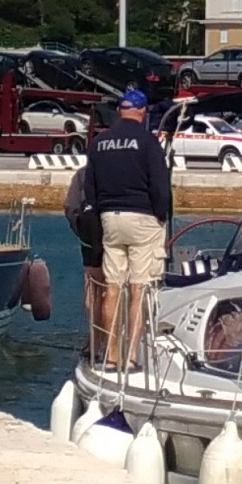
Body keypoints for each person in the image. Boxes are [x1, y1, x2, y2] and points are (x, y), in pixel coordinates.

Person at [85, 87, 172, 369]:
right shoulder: (148, 142)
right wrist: (160, 216)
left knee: (112, 287)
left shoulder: (99, 142)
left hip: (110, 218)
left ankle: (110, 356)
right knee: (139, 288)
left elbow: (90, 189)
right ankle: (131, 356)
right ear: (142, 111)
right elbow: (160, 186)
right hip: (143, 219)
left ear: (120, 111)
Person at [62, 158, 106, 358]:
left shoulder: (82, 174)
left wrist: (80, 230)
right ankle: (110, 340)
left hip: (89, 230)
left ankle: (93, 340)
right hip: (115, 227)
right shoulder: (123, 169)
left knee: (92, 283)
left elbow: (70, 206)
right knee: (114, 287)